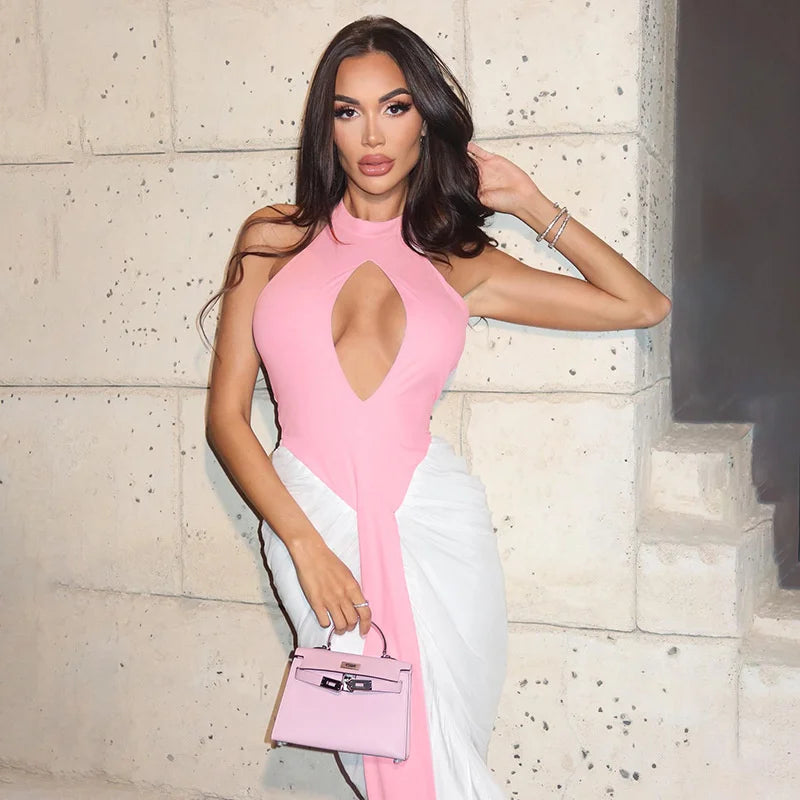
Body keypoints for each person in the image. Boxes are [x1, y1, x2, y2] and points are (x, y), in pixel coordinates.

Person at [201, 15, 671, 800]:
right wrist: (305, 544)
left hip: (434, 525)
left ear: (425, 119)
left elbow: (641, 304)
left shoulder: (459, 263)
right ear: (326, 127)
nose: (372, 135)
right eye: (348, 112)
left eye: (395, 107)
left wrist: (531, 204)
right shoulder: (272, 239)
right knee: (380, 750)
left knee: (439, 749)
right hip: (310, 517)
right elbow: (226, 418)